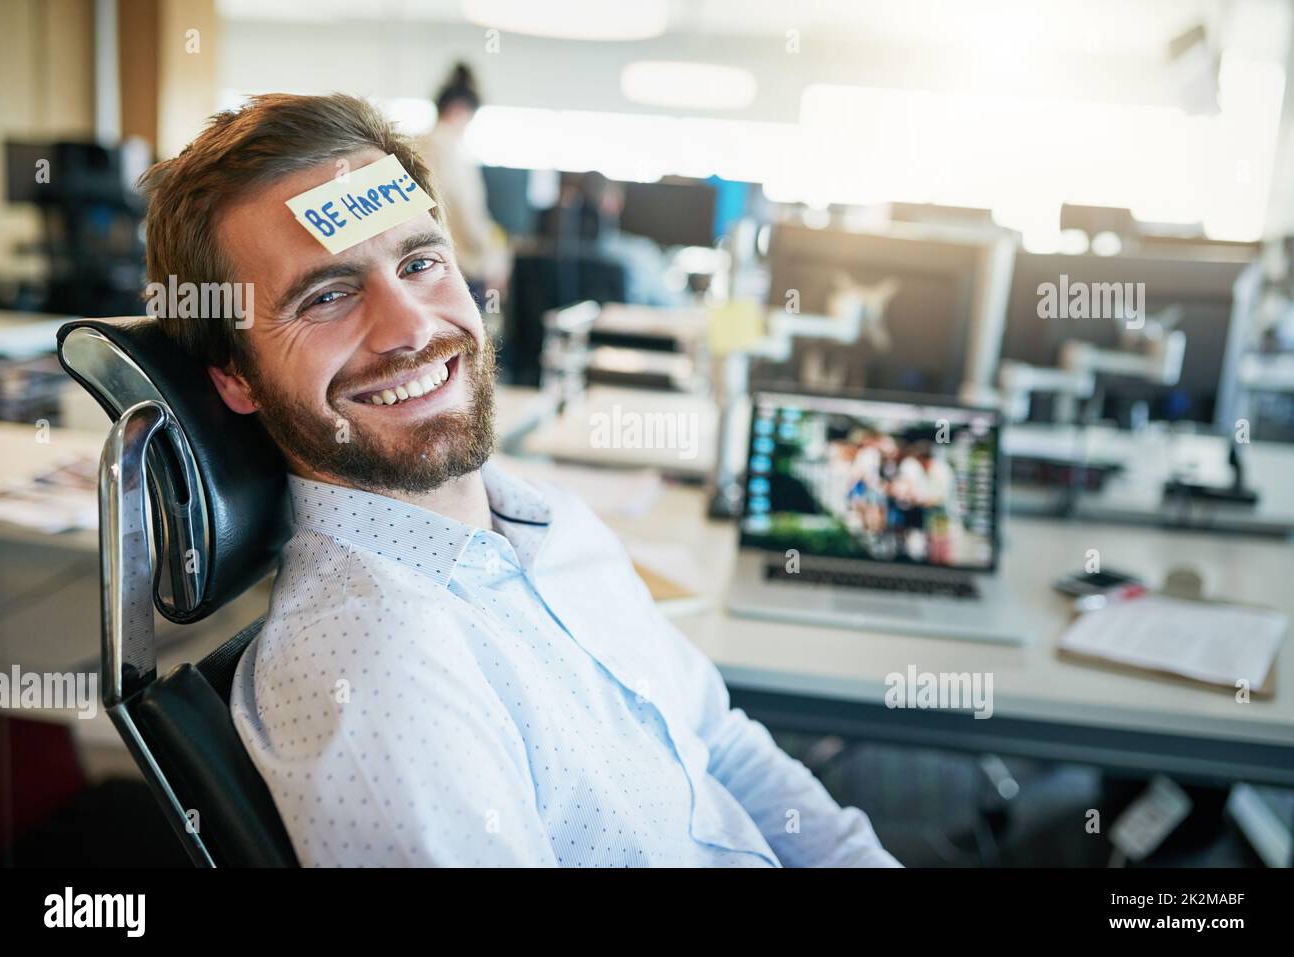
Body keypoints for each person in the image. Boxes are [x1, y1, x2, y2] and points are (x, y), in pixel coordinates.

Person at [138, 92, 900, 868]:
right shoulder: (376, 668)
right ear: (235, 378)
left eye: (419, 262)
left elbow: (719, 743)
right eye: (326, 296)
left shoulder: (545, 517)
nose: (412, 327)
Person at [416, 63, 506, 304]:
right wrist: (492, 258)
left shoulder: (417, 145)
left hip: (426, 262)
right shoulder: (447, 148)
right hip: (460, 263)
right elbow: (465, 210)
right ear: (459, 110)